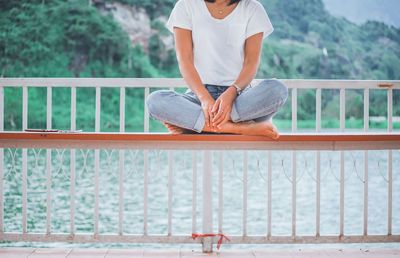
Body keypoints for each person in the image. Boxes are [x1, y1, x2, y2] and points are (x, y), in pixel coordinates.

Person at [146, 0, 288, 139]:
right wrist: (205, 99)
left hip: (240, 99)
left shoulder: (252, 8)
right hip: (198, 99)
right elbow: (185, 60)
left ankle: (197, 125)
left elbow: (251, 63)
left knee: (278, 89)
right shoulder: (186, 5)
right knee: (155, 101)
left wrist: (232, 92)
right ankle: (238, 128)